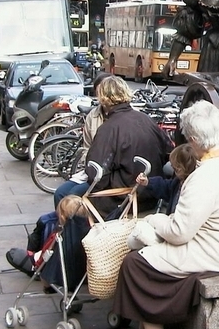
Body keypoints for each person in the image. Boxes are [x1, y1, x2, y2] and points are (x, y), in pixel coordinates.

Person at [112, 100, 219, 329]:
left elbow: (179, 233)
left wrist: (153, 220)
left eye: (188, 140)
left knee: (134, 264)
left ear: (195, 141)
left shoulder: (204, 174)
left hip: (213, 255)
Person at [54, 75, 170, 216]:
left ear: (103, 98)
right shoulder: (146, 120)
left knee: (70, 200)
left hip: (123, 195)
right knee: (67, 192)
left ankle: (77, 236)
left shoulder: (109, 128)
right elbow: (167, 152)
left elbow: (96, 173)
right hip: (150, 190)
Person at [53, 71, 109, 208]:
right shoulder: (93, 116)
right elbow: (86, 146)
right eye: (98, 91)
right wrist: (90, 162)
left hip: (109, 175)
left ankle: (75, 227)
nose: (102, 95)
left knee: (73, 196)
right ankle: (63, 227)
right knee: (60, 193)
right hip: (92, 170)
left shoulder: (123, 116)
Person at [133, 142, 199, 220]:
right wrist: (148, 182)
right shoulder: (178, 182)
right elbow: (167, 187)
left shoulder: (192, 188)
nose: (174, 171)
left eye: (175, 169)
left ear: (180, 169)